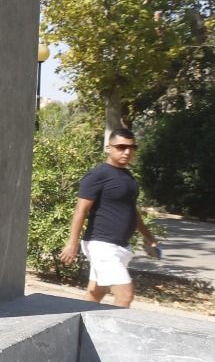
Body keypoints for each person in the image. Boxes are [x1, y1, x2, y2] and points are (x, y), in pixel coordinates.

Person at [59, 129, 158, 307]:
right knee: (125, 296)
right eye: (121, 147)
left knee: (95, 294)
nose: (127, 152)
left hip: (120, 246)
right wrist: (72, 244)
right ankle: (115, 334)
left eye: (131, 147)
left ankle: (77, 327)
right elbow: (80, 210)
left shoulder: (128, 177)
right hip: (102, 245)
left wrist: (149, 237)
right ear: (108, 148)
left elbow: (132, 212)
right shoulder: (97, 175)